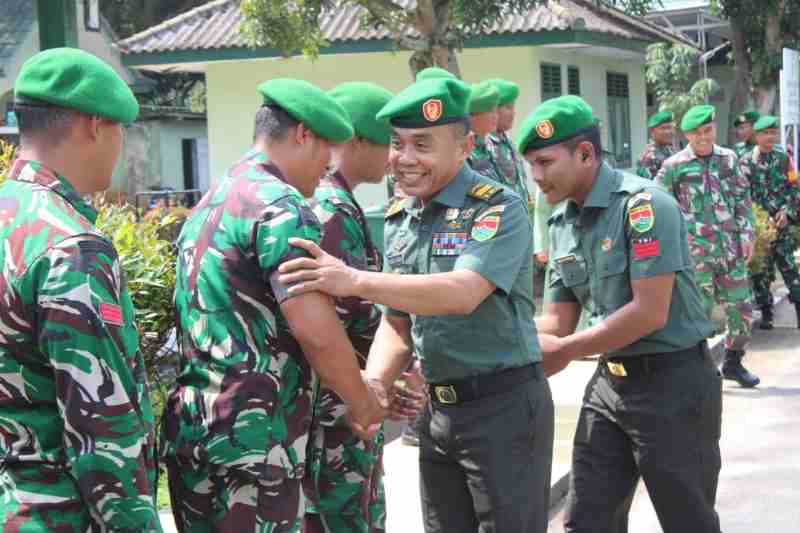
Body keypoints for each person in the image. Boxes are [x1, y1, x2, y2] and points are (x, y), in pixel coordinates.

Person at [277, 77, 554, 533]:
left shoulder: (495, 208)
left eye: (422, 145)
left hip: (503, 409)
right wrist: (374, 383)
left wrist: (355, 280)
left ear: (464, 146)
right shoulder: (401, 217)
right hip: (438, 414)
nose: (404, 159)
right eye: (397, 143)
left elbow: (463, 291)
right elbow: (398, 324)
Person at [161, 78, 388, 532]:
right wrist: (362, 401)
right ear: (303, 134)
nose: (326, 168)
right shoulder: (281, 206)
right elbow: (316, 331)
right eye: (326, 149)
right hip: (255, 441)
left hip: (195, 431)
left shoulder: (212, 200)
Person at [522, 95, 721, 533]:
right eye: (531, 167)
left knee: (687, 520)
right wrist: (499, 335)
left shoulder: (644, 206)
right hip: (610, 387)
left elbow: (649, 312)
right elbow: (557, 322)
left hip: (673, 385)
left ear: (586, 154)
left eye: (545, 163)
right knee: (587, 520)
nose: (537, 178)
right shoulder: (562, 225)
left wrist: (568, 350)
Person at [0, 48, 162, 530]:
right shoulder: (71, 247)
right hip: (55, 515)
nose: (121, 145)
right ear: (94, 124)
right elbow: (102, 431)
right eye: (120, 129)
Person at [302, 81, 409, 533]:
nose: (392, 158)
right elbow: (342, 318)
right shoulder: (332, 211)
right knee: (342, 517)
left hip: (352, 398)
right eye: (388, 144)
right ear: (357, 141)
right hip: (339, 407)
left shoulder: (341, 204)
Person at [657, 104, 760, 388]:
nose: (703, 137)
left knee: (743, 312)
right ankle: (696, 370)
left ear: (714, 128)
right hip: (694, 255)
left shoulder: (729, 159)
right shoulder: (673, 166)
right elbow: (659, 206)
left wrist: (748, 234)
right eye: (696, 133)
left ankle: (732, 363)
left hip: (730, 251)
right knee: (695, 315)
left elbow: (742, 199)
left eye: (708, 130)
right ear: (687, 135)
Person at [738, 115, 800, 328]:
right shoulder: (745, 162)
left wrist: (786, 212)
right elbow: (742, 195)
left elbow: (794, 189)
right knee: (760, 274)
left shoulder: (784, 159)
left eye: (773, 133)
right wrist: (754, 224)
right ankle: (766, 314)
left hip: (781, 226)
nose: (770, 137)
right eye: (765, 133)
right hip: (759, 231)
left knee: (790, 269)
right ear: (756, 136)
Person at [486, 78, 532, 203]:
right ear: (493, 110)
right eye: (508, 107)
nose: (513, 113)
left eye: (513, 107)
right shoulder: (483, 146)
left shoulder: (508, 143)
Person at [465, 80, 505, 184]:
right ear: (473, 116)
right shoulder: (464, 152)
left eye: (496, 111)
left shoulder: (490, 146)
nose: (496, 116)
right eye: (490, 111)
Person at [635, 111, 675, 180]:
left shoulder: (669, 150)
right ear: (652, 131)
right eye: (663, 128)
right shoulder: (649, 156)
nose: (668, 132)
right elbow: (650, 185)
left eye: (670, 127)